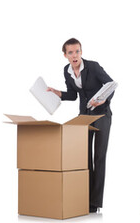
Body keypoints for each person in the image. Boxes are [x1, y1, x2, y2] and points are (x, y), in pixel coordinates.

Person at [47, 38, 116, 213]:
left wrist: (103, 100)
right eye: (70, 52)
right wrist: (57, 93)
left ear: (81, 52)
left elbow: (111, 85)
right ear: (65, 55)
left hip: (101, 114)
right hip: (84, 115)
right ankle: (84, 197)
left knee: (99, 157)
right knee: (83, 156)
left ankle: (95, 203)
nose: (75, 55)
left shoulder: (92, 67)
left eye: (77, 51)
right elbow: (72, 95)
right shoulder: (67, 71)